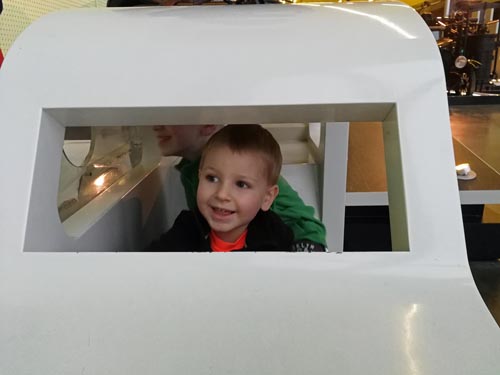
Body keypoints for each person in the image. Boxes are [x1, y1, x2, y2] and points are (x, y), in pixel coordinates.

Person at [153, 124, 327, 251]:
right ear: (200, 175)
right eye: (211, 178)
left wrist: (307, 255)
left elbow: (305, 225)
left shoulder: (272, 235)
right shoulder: (187, 227)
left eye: (241, 184)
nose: (222, 194)